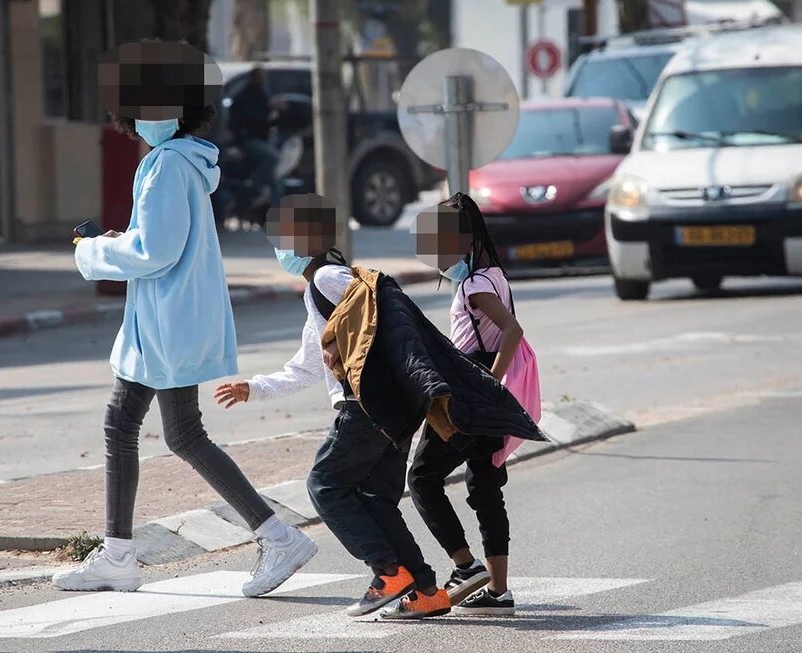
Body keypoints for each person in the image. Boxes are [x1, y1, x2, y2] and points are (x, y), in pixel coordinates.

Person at [53, 41, 316, 597]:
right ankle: (122, 554)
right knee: (148, 429)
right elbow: (161, 242)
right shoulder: (187, 159)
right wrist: (117, 241)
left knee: (161, 432)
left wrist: (90, 253)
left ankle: (272, 537)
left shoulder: (167, 164)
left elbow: (157, 251)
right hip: (168, 320)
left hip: (166, 323)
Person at [214, 195, 451, 620]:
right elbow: (306, 366)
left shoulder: (327, 279)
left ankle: (388, 573)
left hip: (365, 406)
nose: (278, 244)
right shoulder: (321, 286)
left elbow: (388, 317)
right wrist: (255, 387)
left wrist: (361, 359)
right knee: (377, 498)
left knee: (325, 485)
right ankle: (427, 591)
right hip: (392, 408)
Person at [408, 192, 539, 616]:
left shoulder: (475, 284)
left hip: (468, 389)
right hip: (485, 392)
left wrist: (486, 384)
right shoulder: (494, 275)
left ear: (465, 241)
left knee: (422, 477)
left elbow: (512, 330)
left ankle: (464, 566)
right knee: (484, 487)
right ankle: (498, 592)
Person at [227, 66, 282, 206]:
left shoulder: (263, 94)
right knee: (272, 158)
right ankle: (253, 186)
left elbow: (267, 120)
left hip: (262, 138)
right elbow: (247, 120)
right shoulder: (244, 97)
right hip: (247, 139)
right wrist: (267, 109)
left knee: (276, 179)